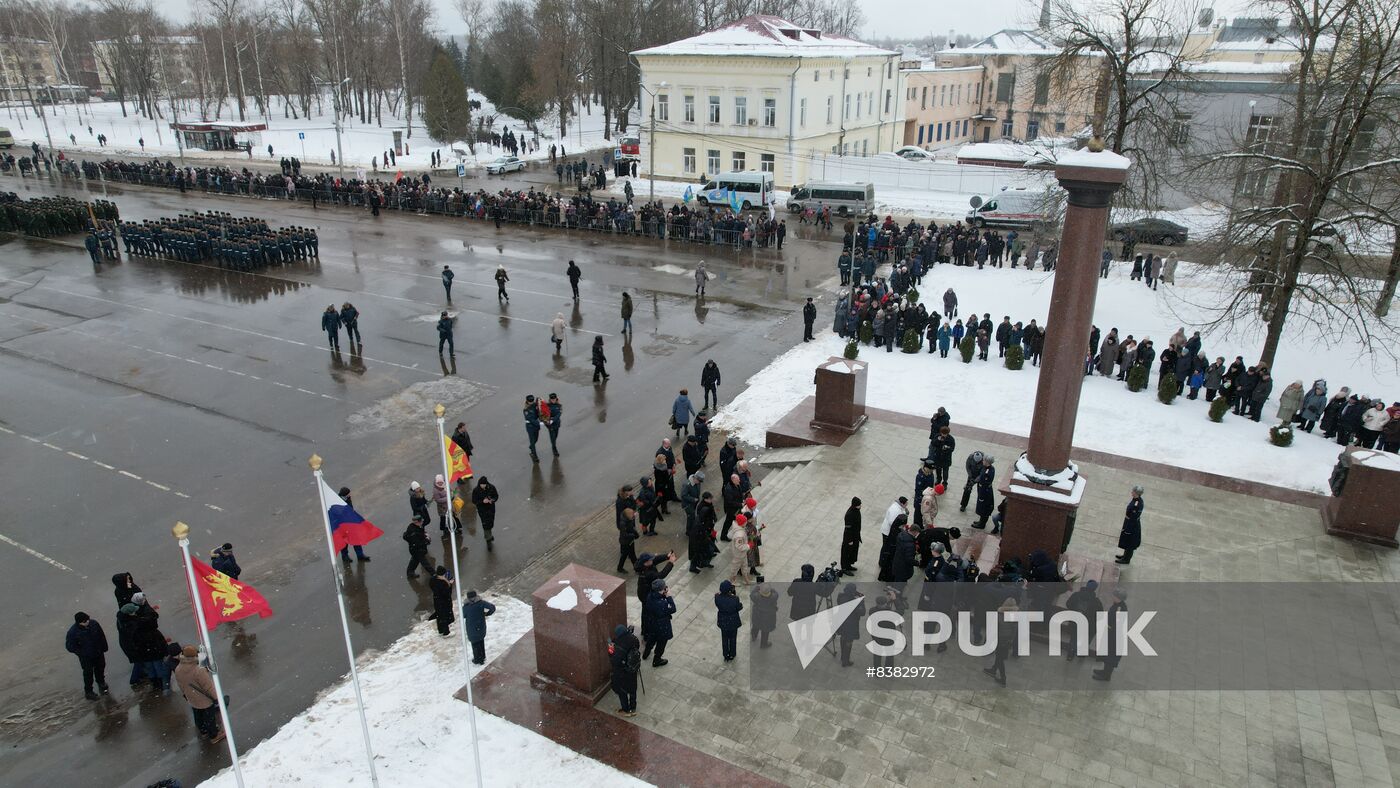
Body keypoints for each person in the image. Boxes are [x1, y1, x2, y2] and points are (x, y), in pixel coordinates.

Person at [66, 612, 109, 700]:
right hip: (86, 657)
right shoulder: (73, 632)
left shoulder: (94, 624)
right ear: (79, 623)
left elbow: (101, 635)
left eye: (88, 620)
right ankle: (88, 691)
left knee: (100, 666)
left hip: (98, 651)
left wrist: (104, 647)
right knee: (88, 673)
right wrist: (81, 653)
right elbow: (70, 646)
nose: (87, 622)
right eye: (85, 621)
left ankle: (101, 682)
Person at [1093, 589, 1129, 681]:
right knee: (1107, 655)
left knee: (1111, 657)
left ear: (1119, 598)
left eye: (1114, 596)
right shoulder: (1117, 605)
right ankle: (1104, 671)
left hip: (1114, 636)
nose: (1112, 597)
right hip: (1110, 632)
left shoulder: (1120, 609)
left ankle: (1106, 676)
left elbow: (1117, 624)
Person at [983, 597, 1018, 686]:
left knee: (999, 659)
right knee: (1000, 656)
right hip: (1007, 640)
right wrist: (1011, 640)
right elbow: (1014, 630)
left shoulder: (999, 615)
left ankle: (1003, 678)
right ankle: (994, 669)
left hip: (1000, 639)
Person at [642, 580, 676, 667]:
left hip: (652, 624)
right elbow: (673, 609)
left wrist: (663, 595)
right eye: (664, 587)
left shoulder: (650, 596)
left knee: (651, 639)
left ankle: (646, 653)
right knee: (661, 644)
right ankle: (657, 660)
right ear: (660, 590)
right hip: (662, 626)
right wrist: (669, 597)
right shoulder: (661, 603)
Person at [609, 624, 641, 717]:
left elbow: (615, 660)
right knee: (632, 689)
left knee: (622, 690)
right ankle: (633, 707)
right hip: (633, 669)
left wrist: (610, 650)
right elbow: (637, 647)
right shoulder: (634, 639)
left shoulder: (619, 646)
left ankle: (626, 710)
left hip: (623, 672)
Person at [460, 590, 496, 665]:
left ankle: (478, 659)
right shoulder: (481, 603)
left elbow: (463, 615)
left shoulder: (466, 607)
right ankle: (482, 656)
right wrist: (486, 613)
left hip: (472, 628)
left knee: (475, 643)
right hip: (481, 626)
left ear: (468, 597)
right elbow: (492, 607)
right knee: (480, 640)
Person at [337, 487, 371, 563]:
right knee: (344, 542)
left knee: (356, 539)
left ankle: (360, 555)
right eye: (348, 493)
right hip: (342, 525)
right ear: (345, 494)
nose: (350, 494)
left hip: (351, 523)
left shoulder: (348, 498)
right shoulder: (337, 501)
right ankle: (345, 557)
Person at [836, 583, 865, 667]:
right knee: (849, 642)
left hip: (842, 622)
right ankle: (846, 660)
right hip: (851, 624)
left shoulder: (841, 597)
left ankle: (842, 657)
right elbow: (862, 612)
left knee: (843, 638)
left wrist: (855, 593)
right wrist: (862, 601)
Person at [714, 580, 744, 662]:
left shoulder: (717, 597)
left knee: (724, 638)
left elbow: (718, 600)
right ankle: (732, 654)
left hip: (723, 621)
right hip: (733, 621)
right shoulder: (735, 599)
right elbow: (739, 607)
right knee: (733, 638)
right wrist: (734, 595)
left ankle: (725, 654)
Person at [1116, 485, 1145, 564]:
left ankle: (1126, 559)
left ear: (1136, 493)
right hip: (1129, 522)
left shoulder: (1138, 504)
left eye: (1133, 491)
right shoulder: (1136, 499)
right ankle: (1124, 556)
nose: (1131, 492)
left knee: (1130, 543)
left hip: (1132, 525)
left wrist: (1128, 529)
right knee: (1127, 541)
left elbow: (1133, 518)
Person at [470, 477, 499, 548]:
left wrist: (492, 500)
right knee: (485, 524)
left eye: (484, 484)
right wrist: (482, 501)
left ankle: (489, 535)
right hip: (482, 510)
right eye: (481, 484)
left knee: (491, 522)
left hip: (491, 508)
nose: (483, 486)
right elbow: (474, 501)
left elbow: (496, 496)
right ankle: (488, 539)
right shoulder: (476, 490)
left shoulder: (491, 487)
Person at [429, 566, 456, 636]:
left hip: (437, 601)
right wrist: (449, 584)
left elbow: (432, 586)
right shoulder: (442, 583)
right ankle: (446, 632)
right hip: (444, 602)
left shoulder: (433, 579)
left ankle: (440, 630)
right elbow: (447, 593)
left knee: (440, 616)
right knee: (444, 616)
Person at [971, 456, 996, 529]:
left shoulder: (988, 472)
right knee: (982, 508)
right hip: (982, 490)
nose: (982, 461)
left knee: (984, 508)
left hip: (985, 492)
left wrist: (981, 496)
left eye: (984, 460)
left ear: (987, 462)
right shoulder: (986, 468)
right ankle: (981, 521)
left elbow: (984, 482)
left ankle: (982, 524)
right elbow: (980, 476)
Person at [840, 497, 862, 575]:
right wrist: (849, 540)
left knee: (852, 552)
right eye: (859, 505)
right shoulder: (849, 514)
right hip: (849, 537)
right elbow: (848, 529)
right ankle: (844, 568)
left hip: (855, 535)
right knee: (846, 552)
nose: (860, 506)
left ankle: (849, 565)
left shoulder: (856, 511)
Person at [616, 507, 641, 573]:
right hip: (626, 542)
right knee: (628, 555)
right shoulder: (623, 523)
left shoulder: (628, 519)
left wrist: (636, 534)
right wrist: (633, 535)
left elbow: (632, 528)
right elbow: (624, 534)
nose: (633, 515)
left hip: (630, 541)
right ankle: (637, 569)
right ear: (628, 515)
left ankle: (621, 568)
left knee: (630, 555)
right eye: (632, 514)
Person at [523, 394, 542, 462]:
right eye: (530, 401)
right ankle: (535, 455)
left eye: (532, 401)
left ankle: (531, 446)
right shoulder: (526, 410)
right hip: (530, 427)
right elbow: (530, 419)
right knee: (532, 441)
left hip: (536, 426)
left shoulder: (535, 405)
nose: (531, 402)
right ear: (527, 401)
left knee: (536, 439)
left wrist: (539, 401)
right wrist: (539, 423)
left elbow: (539, 411)